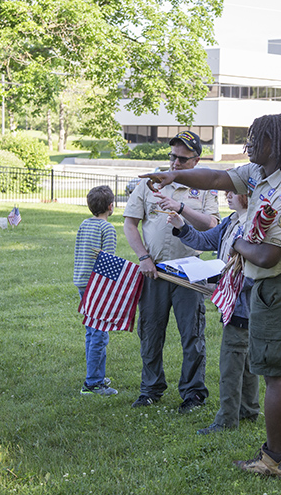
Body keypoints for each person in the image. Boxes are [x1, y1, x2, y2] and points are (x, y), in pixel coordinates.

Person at [140, 114, 281, 478]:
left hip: (280, 286)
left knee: (276, 374)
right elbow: (217, 177)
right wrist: (174, 176)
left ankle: (273, 460)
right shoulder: (260, 174)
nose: (249, 146)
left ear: (274, 145)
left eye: (256, 140)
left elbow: (267, 255)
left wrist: (233, 240)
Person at [123, 131, 220, 413]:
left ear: (196, 160)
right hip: (153, 271)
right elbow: (130, 223)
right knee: (151, 332)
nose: (175, 163)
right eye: (172, 157)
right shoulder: (150, 183)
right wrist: (143, 257)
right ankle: (150, 389)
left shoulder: (203, 189)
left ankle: (193, 393)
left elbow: (211, 225)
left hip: (189, 272)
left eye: (182, 158)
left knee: (192, 334)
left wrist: (182, 208)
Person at [167, 190, 260, 435]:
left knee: (232, 363)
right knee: (246, 360)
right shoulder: (231, 222)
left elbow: (255, 270)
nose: (227, 195)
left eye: (234, 192)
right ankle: (249, 410)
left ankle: (226, 420)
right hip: (235, 303)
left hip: (244, 304)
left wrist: (219, 284)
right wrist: (181, 225)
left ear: (249, 195)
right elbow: (203, 241)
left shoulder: (254, 226)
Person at [73, 185, 118, 396]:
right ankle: (92, 383)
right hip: (97, 286)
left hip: (82, 282)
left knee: (92, 331)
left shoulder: (84, 224)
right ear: (111, 206)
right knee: (99, 333)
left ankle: (97, 375)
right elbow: (108, 262)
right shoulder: (107, 229)